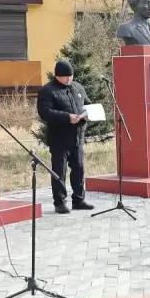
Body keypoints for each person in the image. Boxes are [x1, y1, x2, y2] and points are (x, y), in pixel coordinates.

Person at [36, 59, 94, 214]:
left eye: (71, 76)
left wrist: (89, 113)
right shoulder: (48, 90)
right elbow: (45, 112)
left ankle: (79, 200)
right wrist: (67, 117)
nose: (69, 79)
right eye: (66, 77)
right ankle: (60, 202)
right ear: (57, 76)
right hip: (59, 139)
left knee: (79, 169)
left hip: (77, 137)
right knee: (59, 171)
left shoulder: (78, 87)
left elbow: (88, 103)